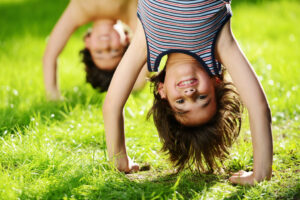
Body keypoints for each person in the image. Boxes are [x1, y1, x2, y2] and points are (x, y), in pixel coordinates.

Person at [103, 0, 273, 186]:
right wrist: (261, 173)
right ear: (216, 83)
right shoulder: (219, 44)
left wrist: (118, 158)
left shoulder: (146, 42)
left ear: (162, 91)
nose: (190, 93)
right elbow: (259, 107)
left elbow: (112, 105)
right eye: (202, 98)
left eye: (181, 103)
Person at [43, 0, 148, 100]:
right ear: (126, 39)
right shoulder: (131, 14)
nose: (105, 46)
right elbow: (146, 53)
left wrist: (53, 95)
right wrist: (134, 86)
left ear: (87, 42)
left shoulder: (78, 12)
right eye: (114, 51)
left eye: (99, 52)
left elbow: (50, 56)